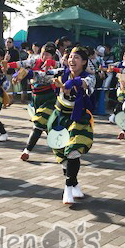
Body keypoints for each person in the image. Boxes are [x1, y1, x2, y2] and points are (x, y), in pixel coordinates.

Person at [49, 46, 95, 204]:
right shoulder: (61, 73)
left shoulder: (89, 77)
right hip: (59, 118)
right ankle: (75, 184)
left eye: (76, 57)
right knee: (63, 156)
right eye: (70, 57)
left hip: (78, 119)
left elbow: (83, 83)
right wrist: (19, 73)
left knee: (73, 152)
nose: (71, 60)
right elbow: (42, 75)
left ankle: (67, 188)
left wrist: (68, 84)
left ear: (83, 62)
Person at [11, 43, 59, 161]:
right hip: (36, 98)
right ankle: (60, 149)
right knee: (48, 127)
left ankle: (27, 150)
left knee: (39, 124)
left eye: (47, 54)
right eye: (43, 53)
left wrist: (28, 74)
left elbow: (43, 76)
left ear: (52, 56)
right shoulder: (34, 61)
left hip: (49, 98)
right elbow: (23, 65)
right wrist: (14, 71)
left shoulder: (55, 67)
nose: (44, 56)